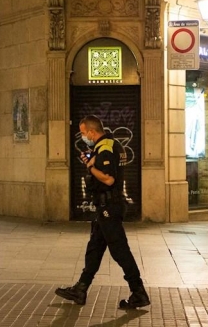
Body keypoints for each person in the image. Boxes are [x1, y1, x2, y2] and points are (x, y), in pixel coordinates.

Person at [55, 115, 150, 309]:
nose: (83, 137)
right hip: (105, 208)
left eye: (83, 133)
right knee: (95, 250)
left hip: (109, 207)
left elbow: (108, 179)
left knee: (120, 251)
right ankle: (80, 289)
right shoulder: (109, 144)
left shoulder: (105, 147)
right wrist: (91, 160)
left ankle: (138, 292)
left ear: (91, 131)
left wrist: (91, 167)